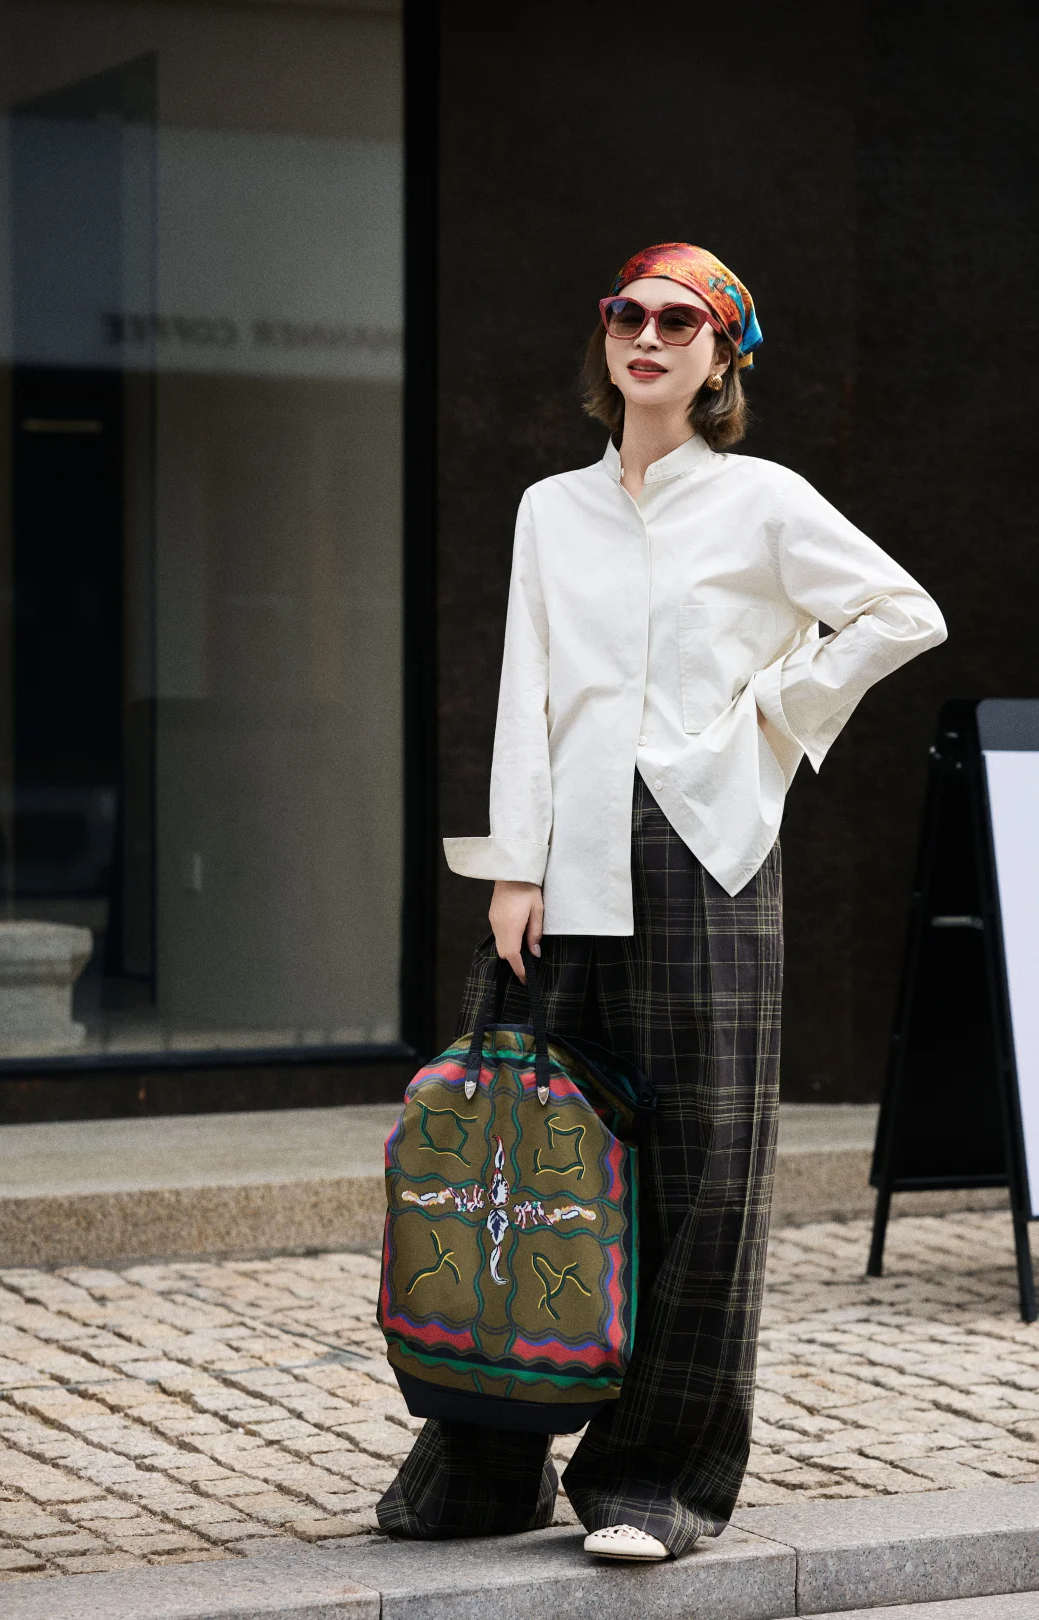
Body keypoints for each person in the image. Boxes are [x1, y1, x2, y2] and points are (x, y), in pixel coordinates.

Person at [378, 242, 946, 1561]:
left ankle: (654, 1484)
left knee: (702, 1179)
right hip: (560, 864)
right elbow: (525, 686)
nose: (646, 337)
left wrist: (767, 715)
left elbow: (899, 611)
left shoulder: (762, 501)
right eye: (626, 315)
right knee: (515, 1150)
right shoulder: (549, 509)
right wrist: (513, 864)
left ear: (720, 356)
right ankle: (487, 1464)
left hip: (706, 852)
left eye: (678, 322)